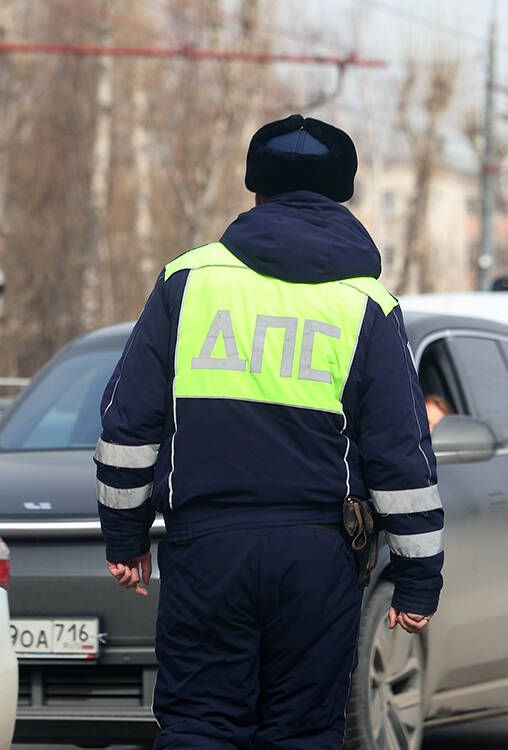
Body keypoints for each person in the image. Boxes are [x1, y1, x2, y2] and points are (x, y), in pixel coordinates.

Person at [94, 114, 443, 749]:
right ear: (342, 196)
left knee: (199, 727)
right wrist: (419, 577)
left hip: (207, 551)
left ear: (255, 191)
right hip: (319, 560)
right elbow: (401, 456)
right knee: (302, 734)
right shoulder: (368, 305)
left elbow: (127, 424)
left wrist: (125, 536)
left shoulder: (188, 282)